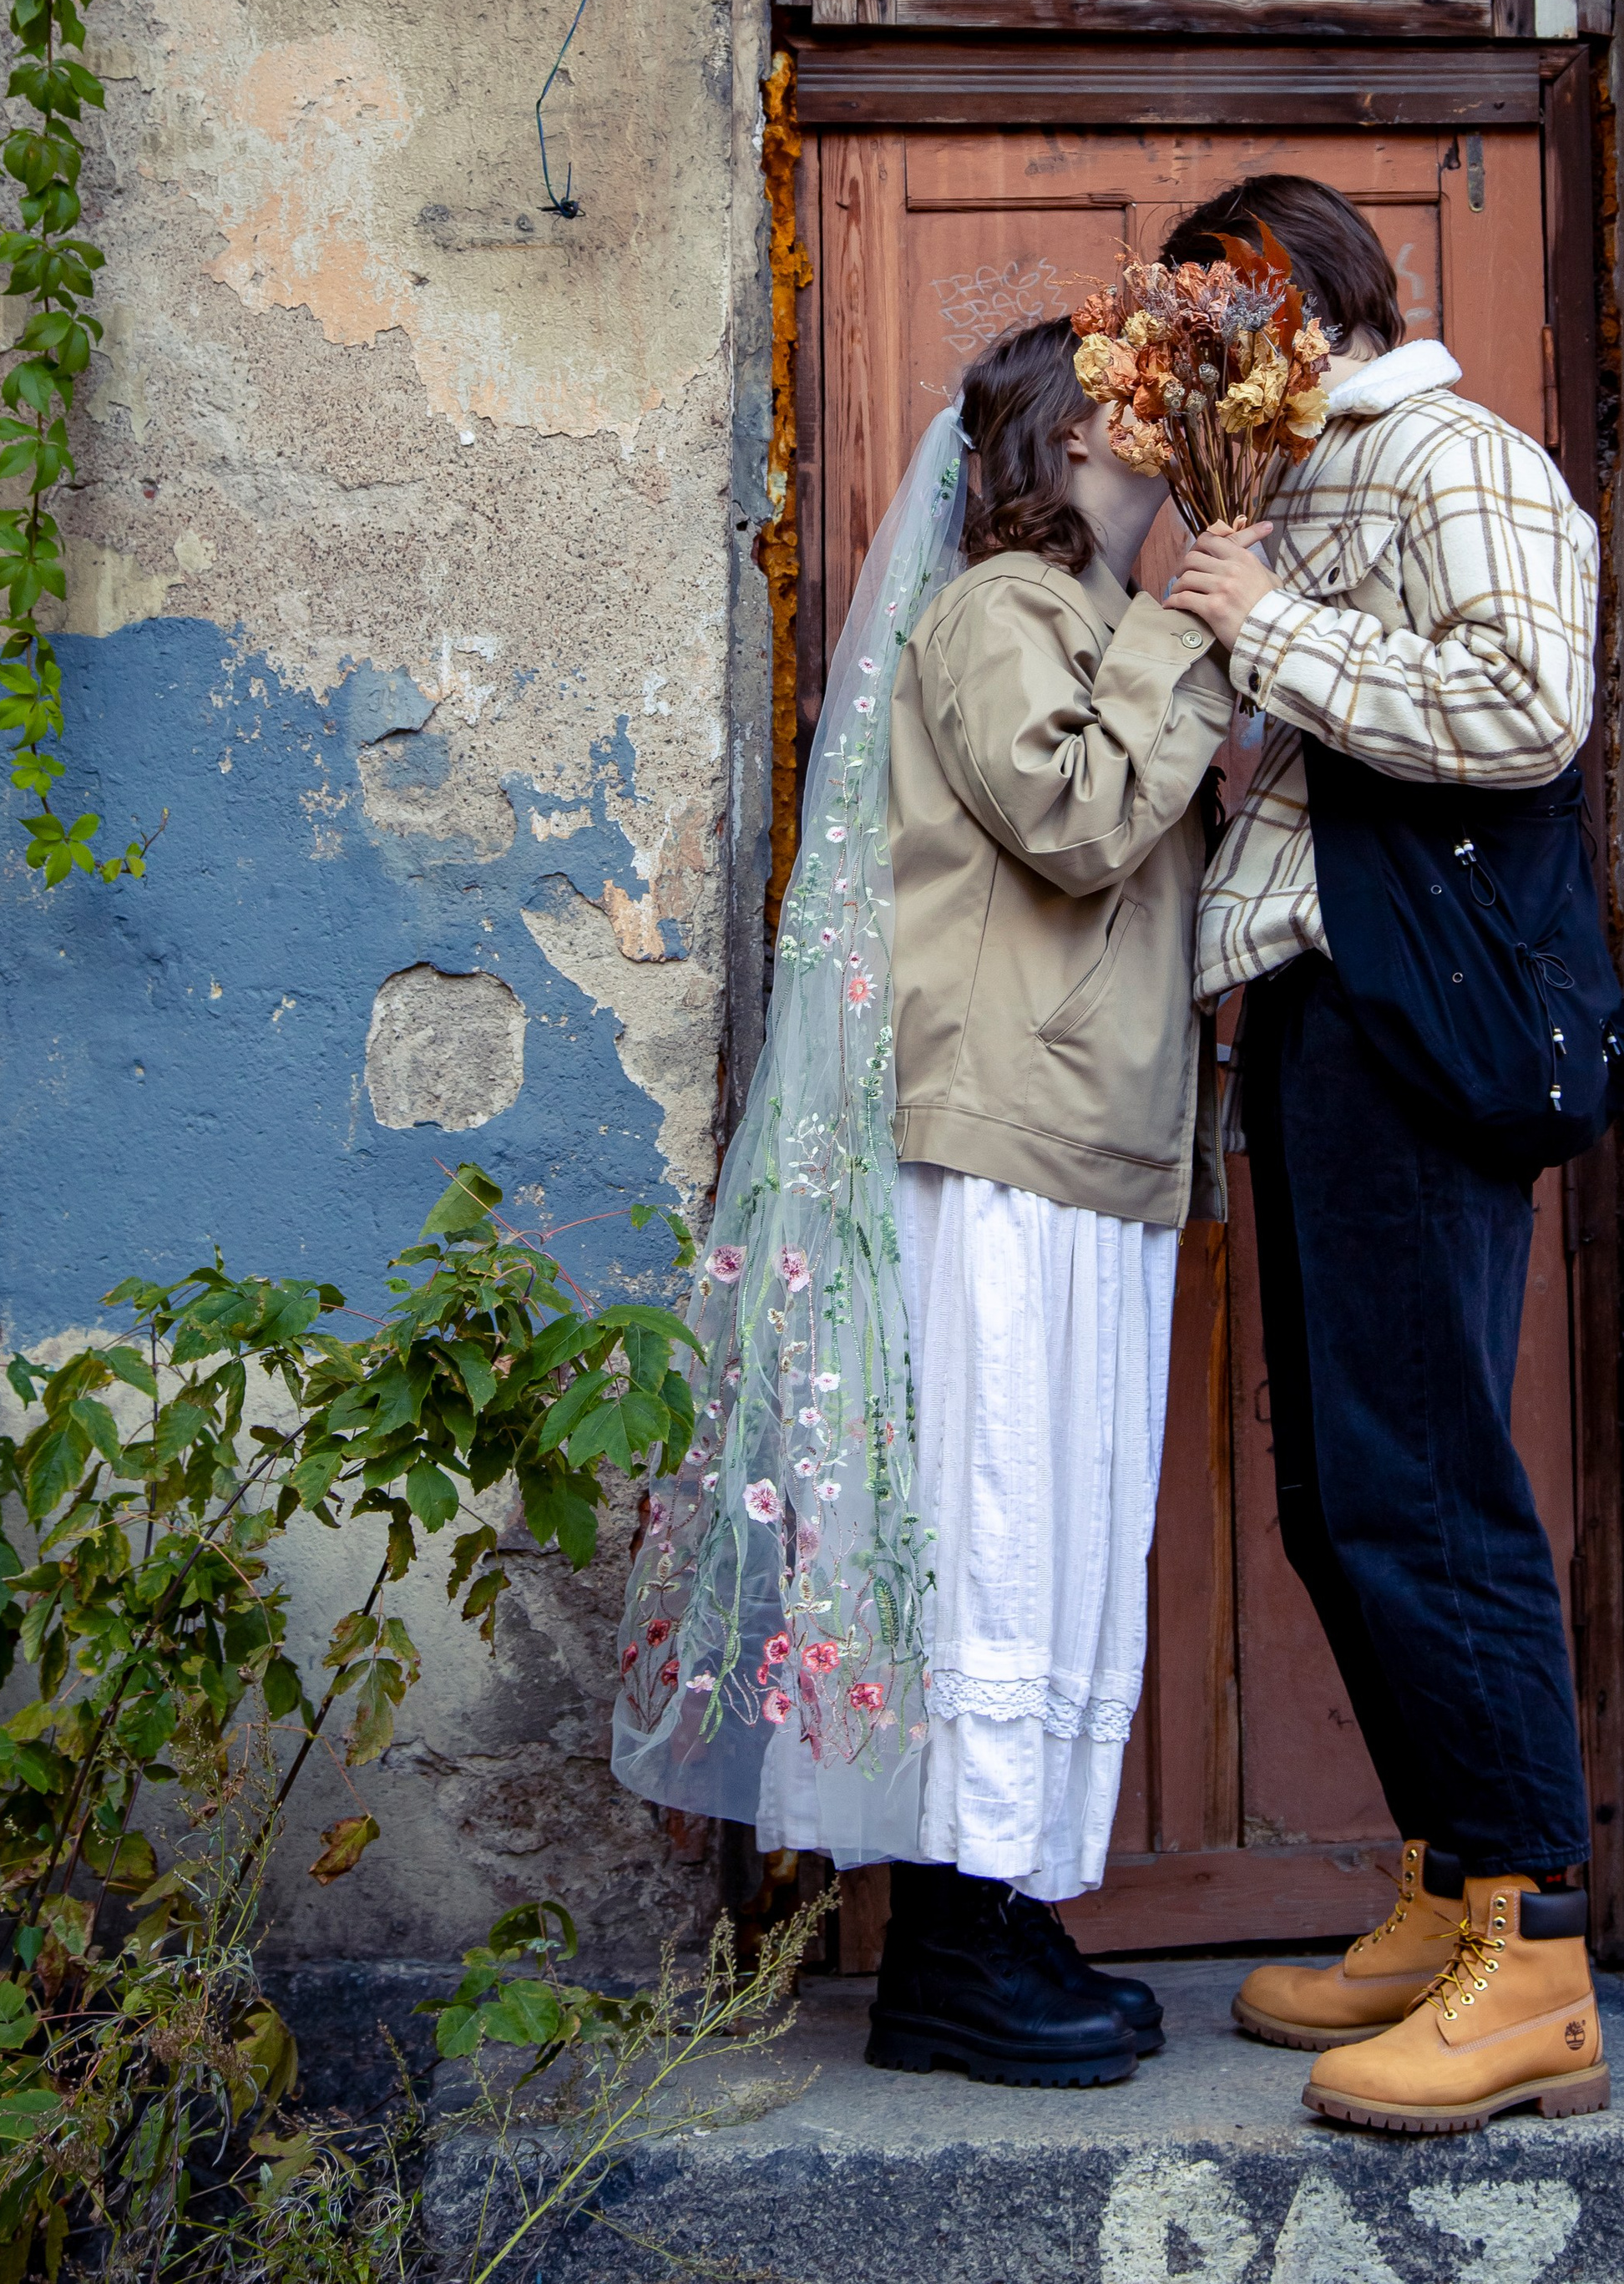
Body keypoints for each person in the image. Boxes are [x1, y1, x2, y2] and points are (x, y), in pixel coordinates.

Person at [613, 317, 1232, 2090]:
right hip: (995, 1136)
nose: (1165, 436)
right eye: (1133, 410)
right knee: (986, 1517)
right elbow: (1073, 816)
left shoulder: (1108, 627)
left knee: (1054, 1522)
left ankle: (1009, 1908)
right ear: (1064, 445)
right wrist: (1195, 635)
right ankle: (949, 1953)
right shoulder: (993, 615)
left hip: (1088, 1135)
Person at [1161, 173, 1611, 2136]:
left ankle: (1533, 1959)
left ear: (1300, 303)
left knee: (1420, 1485)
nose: (1187, 362)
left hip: (1412, 1016)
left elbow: (1527, 707)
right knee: (1341, 1491)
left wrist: (1267, 624)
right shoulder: (1296, 482)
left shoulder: (1451, 455)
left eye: (1209, 321)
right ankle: (1446, 1896)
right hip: (1317, 1010)